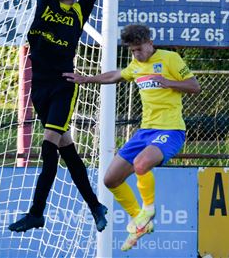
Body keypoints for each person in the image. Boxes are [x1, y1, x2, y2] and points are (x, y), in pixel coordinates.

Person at [8, 0, 110, 233]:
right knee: (67, 149)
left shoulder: (79, 12)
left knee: (49, 143)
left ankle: (37, 211)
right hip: (39, 87)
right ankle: (95, 206)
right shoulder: (45, 2)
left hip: (64, 84)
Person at [64, 24, 201, 250]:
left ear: (150, 43)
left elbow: (194, 86)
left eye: (139, 49)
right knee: (110, 180)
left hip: (170, 130)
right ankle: (140, 220)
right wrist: (87, 79)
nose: (136, 54)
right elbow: (117, 75)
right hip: (144, 132)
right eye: (132, 50)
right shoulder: (136, 65)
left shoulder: (170, 59)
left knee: (141, 164)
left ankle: (148, 210)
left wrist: (170, 83)